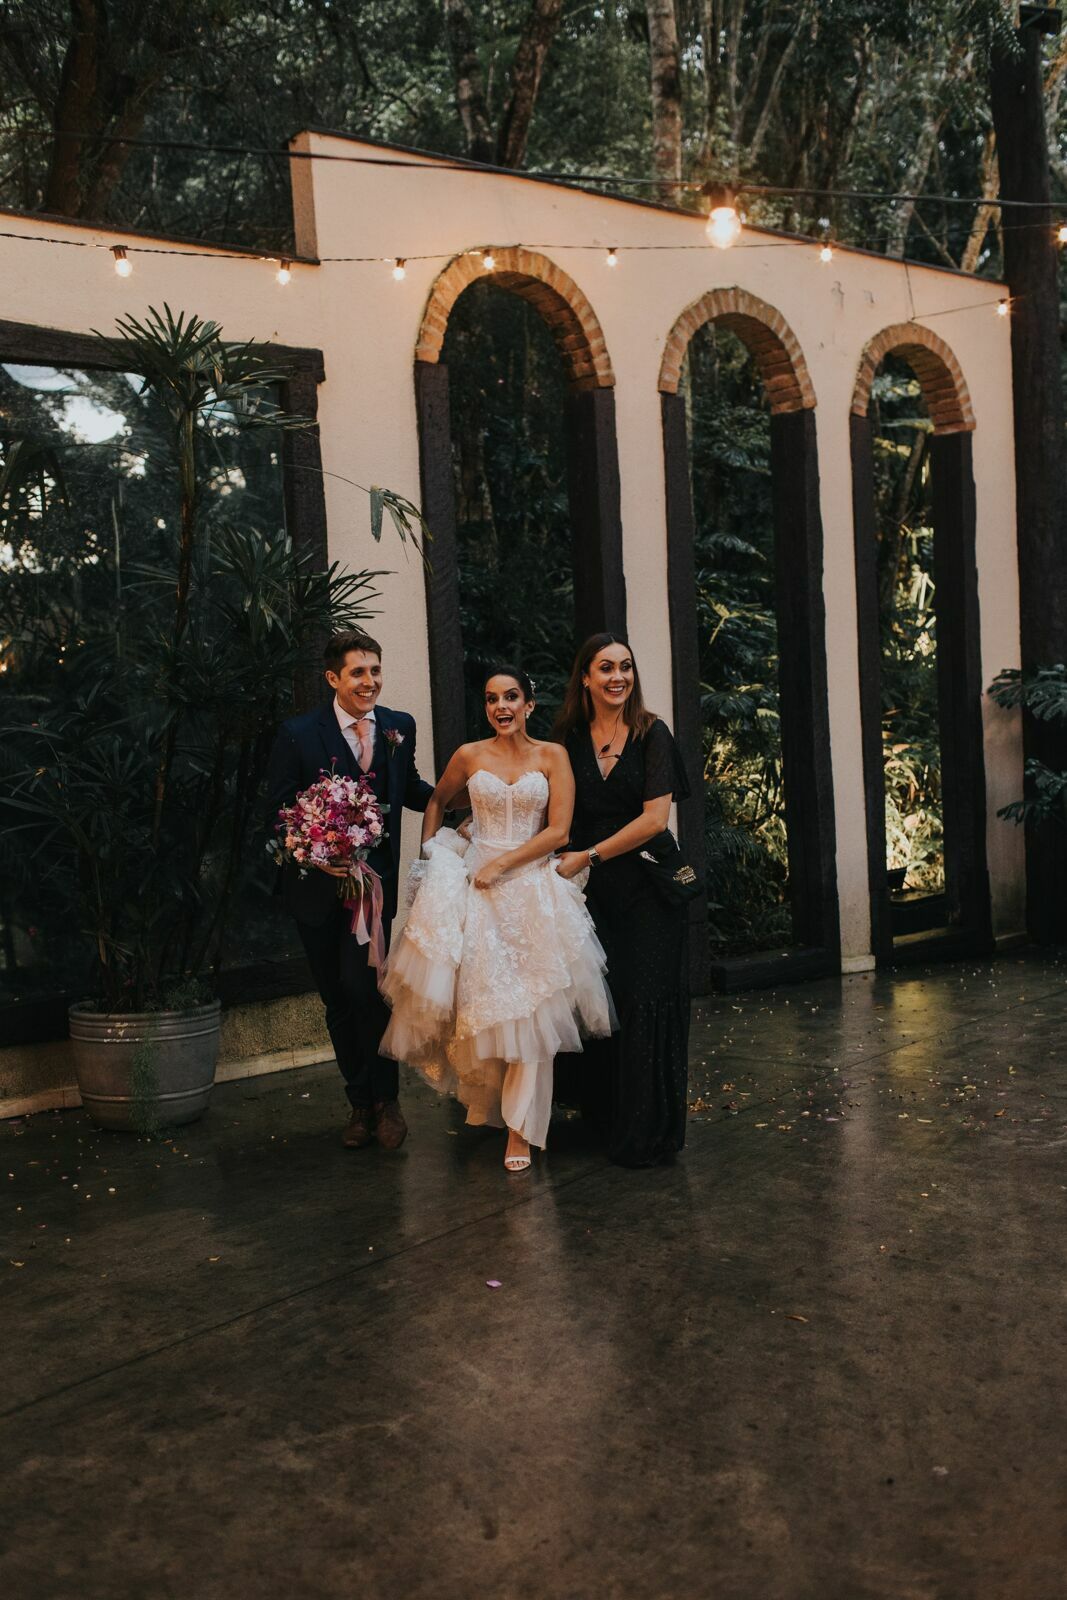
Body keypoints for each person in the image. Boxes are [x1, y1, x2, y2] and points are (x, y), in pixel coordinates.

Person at [380, 666, 614, 1173]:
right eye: (491, 699)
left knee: (533, 1011)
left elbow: (559, 831)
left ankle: (521, 1130)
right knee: (485, 1007)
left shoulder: (552, 756)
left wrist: (502, 864)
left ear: (530, 704)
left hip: (529, 886)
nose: (501, 707)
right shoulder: (470, 755)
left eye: (511, 697)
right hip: (474, 889)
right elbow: (438, 801)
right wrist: (434, 860)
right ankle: (489, 1107)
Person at [264, 628, 433, 1151]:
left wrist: (473, 793)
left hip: (371, 892)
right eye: (358, 672)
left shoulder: (398, 727)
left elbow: (414, 790)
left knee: (367, 992)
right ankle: (359, 1104)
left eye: (376, 670)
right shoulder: (298, 732)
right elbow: (278, 810)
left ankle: (388, 1102)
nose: (370, 682)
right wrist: (318, 855)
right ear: (333, 677)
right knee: (337, 998)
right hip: (316, 893)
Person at [553, 632, 692, 1167]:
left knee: (645, 1003)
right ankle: (605, 1118)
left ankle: (649, 1131)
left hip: (649, 887)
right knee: (603, 1006)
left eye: (626, 668)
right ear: (585, 677)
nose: (618, 677)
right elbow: (552, 808)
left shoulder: (652, 733)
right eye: (606, 668)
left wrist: (588, 855)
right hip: (592, 897)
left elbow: (655, 819)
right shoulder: (567, 736)